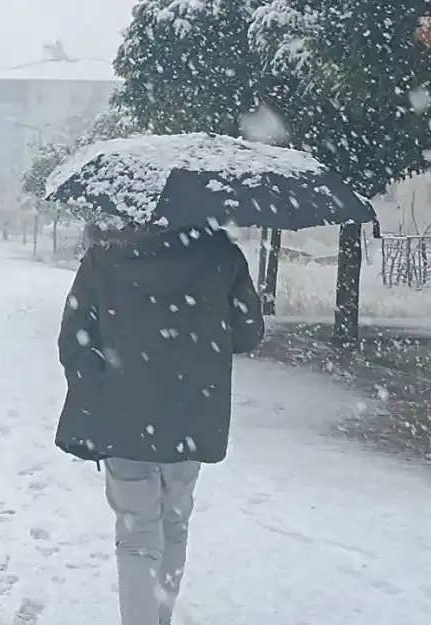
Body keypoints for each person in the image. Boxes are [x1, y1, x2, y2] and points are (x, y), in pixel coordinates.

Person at [54, 223, 265, 625]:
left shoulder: (107, 254)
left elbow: (73, 339)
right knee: (174, 523)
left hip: (123, 415)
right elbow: (246, 334)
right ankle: (160, 617)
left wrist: (100, 378)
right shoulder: (219, 253)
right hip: (192, 413)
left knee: (136, 535)